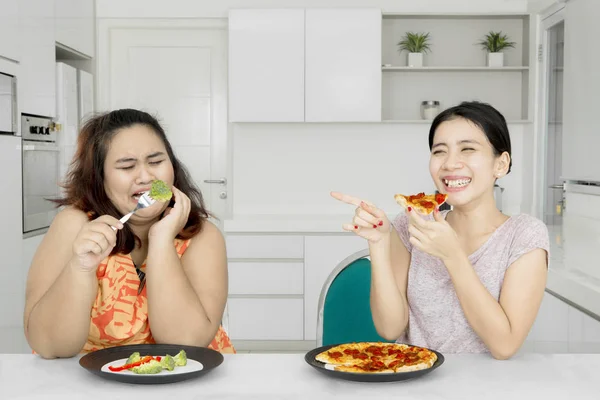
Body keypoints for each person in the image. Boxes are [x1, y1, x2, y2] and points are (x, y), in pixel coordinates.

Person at [332, 101, 549, 359]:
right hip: (414, 375)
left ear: (500, 164)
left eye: (468, 149)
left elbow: (504, 346)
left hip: (489, 386)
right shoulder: (413, 222)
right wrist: (380, 243)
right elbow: (390, 328)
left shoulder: (524, 235)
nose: (450, 163)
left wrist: (453, 256)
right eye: (439, 151)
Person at [23, 109, 235, 358]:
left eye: (156, 162)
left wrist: (161, 240)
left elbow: (184, 344)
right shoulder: (74, 226)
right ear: (99, 177)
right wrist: (79, 268)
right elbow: (50, 346)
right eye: (126, 166)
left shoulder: (203, 236)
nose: (146, 176)